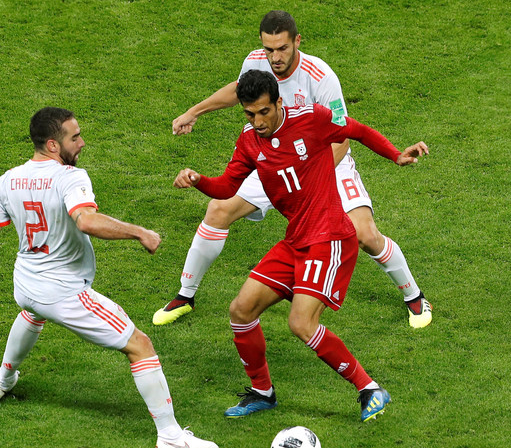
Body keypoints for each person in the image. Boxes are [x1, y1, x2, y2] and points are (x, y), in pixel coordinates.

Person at [0, 107, 216, 448]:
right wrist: (141, 233)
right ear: (52, 145)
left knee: (32, 313)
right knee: (140, 346)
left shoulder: (8, 180)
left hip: (26, 283)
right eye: (74, 138)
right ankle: (171, 437)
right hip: (63, 292)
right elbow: (86, 220)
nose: (82, 143)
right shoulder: (70, 177)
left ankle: (3, 378)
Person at [173, 70, 429, 420]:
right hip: (296, 240)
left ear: (279, 102)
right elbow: (226, 188)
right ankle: (263, 392)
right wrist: (198, 180)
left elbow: (356, 130)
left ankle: (370, 389)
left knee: (301, 323)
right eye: (249, 114)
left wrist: (396, 155)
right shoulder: (249, 141)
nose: (258, 122)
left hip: (330, 237)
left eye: (264, 112)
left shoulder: (311, 118)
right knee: (241, 310)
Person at [156, 10, 432, 329]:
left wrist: (308, 179)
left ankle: (414, 295)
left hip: (323, 162)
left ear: (297, 41)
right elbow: (239, 90)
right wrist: (195, 112)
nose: (275, 57)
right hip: (274, 161)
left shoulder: (321, 77)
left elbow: (343, 135)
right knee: (218, 209)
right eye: (269, 49)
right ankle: (185, 295)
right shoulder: (256, 61)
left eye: (282, 48)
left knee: (365, 234)